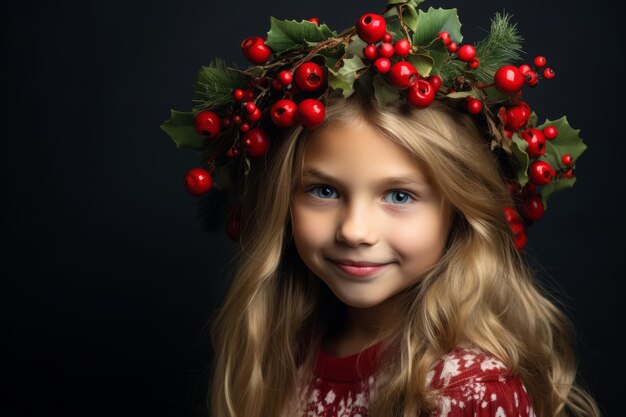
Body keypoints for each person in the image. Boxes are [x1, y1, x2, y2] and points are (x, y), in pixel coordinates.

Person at [160, 2, 601, 416]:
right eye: (324, 192)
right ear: (283, 197)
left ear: (459, 208)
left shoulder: (469, 392)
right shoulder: (283, 351)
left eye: (400, 196)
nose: (354, 231)